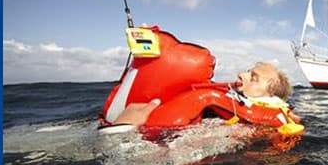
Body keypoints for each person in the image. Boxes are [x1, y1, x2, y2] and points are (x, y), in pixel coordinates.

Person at [109, 61, 295, 129]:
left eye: (253, 78)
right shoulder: (221, 108)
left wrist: (121, 129)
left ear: (269, 98)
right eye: (248, 71)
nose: (241, 74)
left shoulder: (242, 132)